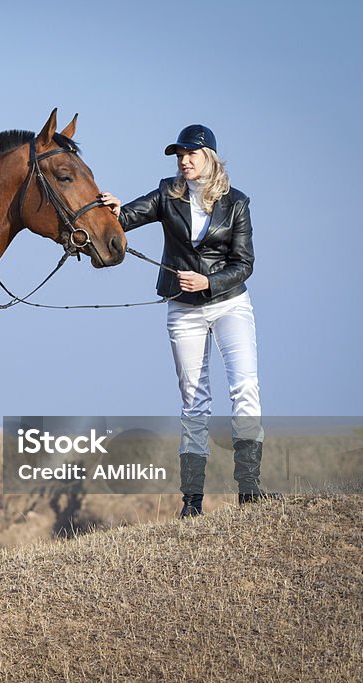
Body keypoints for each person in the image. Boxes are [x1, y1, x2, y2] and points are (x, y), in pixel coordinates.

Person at [99, 124, 278, 518]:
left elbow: (244, 263)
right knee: (194, 401)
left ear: (209, 157)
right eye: (179, 155)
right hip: (183, 310)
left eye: (190, 154)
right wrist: (110, 209)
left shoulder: (237, 203)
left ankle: (249, 491)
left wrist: (208, 281)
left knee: (245, 386)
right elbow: (126, 218)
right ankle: (192, 503)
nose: (183, 161)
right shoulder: (168, 192)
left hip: (230, 304)